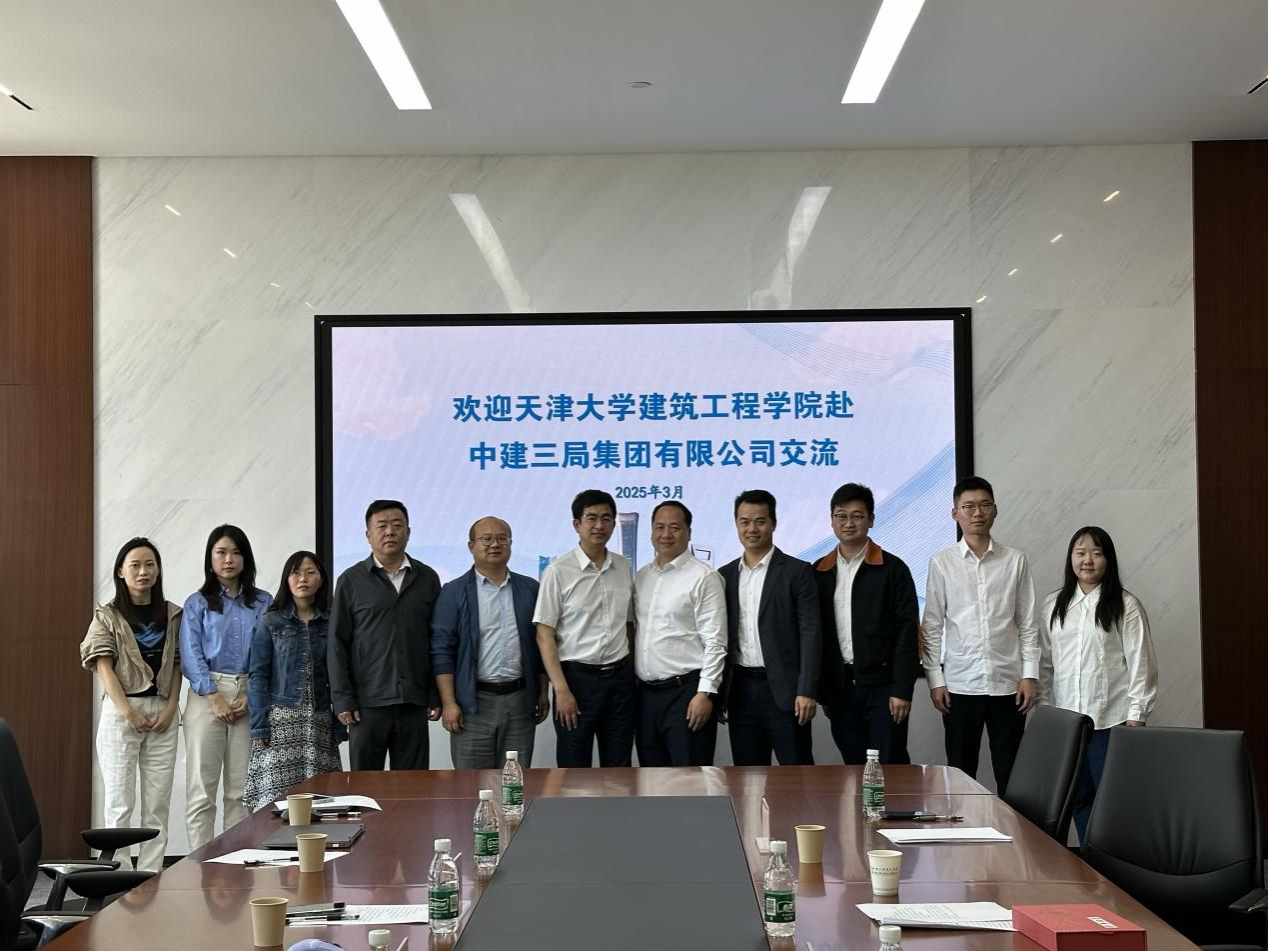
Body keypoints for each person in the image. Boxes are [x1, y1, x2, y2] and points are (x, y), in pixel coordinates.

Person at [921, 476, 1039, 796]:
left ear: (995, 510)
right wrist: (935, 680)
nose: (977, 513)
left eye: (985, 505)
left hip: (1008, 685)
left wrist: (1029, 675)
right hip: (959, 685)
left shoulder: (1015, 560)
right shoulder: (942, 562)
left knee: (1011, 773)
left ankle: (1013, 829)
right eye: (969, 507)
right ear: (955, 513)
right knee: (960, 774)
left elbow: (1028, 624)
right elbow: (932, 626)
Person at [1040, 526, 1158, 841]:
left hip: (1112, 720)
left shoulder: (1125, 604)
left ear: (1108, 559)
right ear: (1071, 558)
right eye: (1080, 553)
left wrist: (1137, 715)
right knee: (1078, 798)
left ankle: (1113, 862)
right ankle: (1090, 861)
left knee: (1113, 800)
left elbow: (1141, 662)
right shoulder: (1054, 605)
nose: (1087, 561)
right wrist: (1046, 712)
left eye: (1096, 553)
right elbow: (1046, 663)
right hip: (1068, 722)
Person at [79, 537, 183, 872]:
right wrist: (128, 711)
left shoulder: (173, 614)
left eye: (150, 564)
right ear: (121, 572)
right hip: (121, 714)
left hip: (163, 714)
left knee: (158, 804)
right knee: (119, 803)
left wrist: (171, 708)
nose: (143, 571)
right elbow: (103, 666)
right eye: (135, 565)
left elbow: (178, 664)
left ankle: (151, 874)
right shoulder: (107, 615)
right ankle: (119, 875)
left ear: (158, 570)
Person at [328, 499, 442, 770]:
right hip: (367, 704)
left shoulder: (427, 578)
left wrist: (434, 693)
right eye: (381, 526)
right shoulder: (351, 580)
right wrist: (342, 699)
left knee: (413, 787)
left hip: (413, 701)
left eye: (397, 525)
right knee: (364, 785)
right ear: (369, 535)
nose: (390, 531)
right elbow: (337, 643)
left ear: (408, 532)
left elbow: (436, 641)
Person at [814, 483, 920, 764]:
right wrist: (823, 692)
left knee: (889, 764)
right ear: (832, 520)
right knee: (853, 765)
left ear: (871, 519)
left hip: (883, 689)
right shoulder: (819, 571)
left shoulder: (893, 569)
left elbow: (908, 633)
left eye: (857, 516)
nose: (848, 523)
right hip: (840, 690)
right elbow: (815, 635)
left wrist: (902, 690)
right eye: (841, 516)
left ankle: (892, 799)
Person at [180, 524, 272, 850]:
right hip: (207, 694)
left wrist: (252, 693)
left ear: (246, 558)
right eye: (220, 552)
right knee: (201, 790)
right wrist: (214, 696)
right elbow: (190, 654)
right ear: (210, 558)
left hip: (249, 693)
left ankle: (235, 863)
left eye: (235, 552)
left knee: (240, 790)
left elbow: (268, 652)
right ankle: (199, 865)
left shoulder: (263, 602)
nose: (228, 559)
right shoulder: (197, 603)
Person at [432, 516, 548, 768]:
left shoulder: (530, 589)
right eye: (486, 539)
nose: (495, 544)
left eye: (501, 538)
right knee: (471, 784)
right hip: (473, 703)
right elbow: (442, 651)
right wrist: (449, 703)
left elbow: (540, 646)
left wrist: (542, 692)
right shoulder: (453, 592)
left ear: (510, 544)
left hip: (520, 701)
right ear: (471, 545)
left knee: (514, 781)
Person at [535, 489, 636, 767]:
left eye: (606, 518)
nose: (599, 525)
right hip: (577, 681)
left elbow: (629, 625)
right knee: (574, 768)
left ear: (614, 524)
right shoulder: (558, 571)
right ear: (577, 524)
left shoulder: (623, 566)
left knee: (619, 766)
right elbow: (544, 635)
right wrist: (561, 689)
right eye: (591, 518)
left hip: (619, 681)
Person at [719, 489, 820, 766]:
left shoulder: (797, 572)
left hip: (787, 692)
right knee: (748, 778)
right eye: (745, 522)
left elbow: (811, 634)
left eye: (760, 521)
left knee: (797, 775)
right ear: (736, 524)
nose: (752, 529)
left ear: (773, 524)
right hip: (740, 692)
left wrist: (806, 690)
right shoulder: (724, 576)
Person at [242, 551, 344, 811]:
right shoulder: (271, 621)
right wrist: (259, 725)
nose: (303, 579)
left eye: (310, 573)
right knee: (275, 803)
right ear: (287, 579)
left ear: (321, 580)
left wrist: (338, 724)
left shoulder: (332, 622)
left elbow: (339, 675)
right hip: (280, 723)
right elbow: (258, 675)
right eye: (296, 573)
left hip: (319, 722)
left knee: (321, 802)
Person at [633, 501, 727, 767]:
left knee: (690, 779)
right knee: (651, 779)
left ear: (689, 532)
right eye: (659, 527)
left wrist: (705, 693)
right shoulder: (642, 576)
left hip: (686, 694)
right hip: (646, 697)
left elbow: (716, 641)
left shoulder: (704, 577)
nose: (666, 534)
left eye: (674, 527)